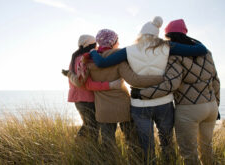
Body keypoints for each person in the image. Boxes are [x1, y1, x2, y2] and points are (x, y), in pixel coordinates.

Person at [87, 16, 208, 164]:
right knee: (167, 142)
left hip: (140, 104)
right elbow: (201, 49)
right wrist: (189, 38)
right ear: (156, 35)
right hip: (164, 102)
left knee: (147, 145)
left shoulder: (129, 50)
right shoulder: (167, 47)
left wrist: (93, 52)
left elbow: (102, 62)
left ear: (141, 34)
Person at [130, 19, 220, 165]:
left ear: (168, 36)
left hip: (189, 109)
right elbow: (215, 80)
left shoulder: (174, 56)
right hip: (211, 107)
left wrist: (142, 94)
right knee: (207, 149)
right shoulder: (206, 52)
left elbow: (172, 83)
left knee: (189, 153)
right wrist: (217, 104)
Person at [67, 29, 164, 163]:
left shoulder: (87, 61)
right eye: (117, 41)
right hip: (123, 107)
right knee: (132, 141)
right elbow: (135, 80)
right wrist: (160, 79)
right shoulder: (119, 59)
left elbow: (83, 83)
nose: (118, 43)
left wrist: (69, 74)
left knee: (108, 145)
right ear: (112, 42)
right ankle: (136, 162)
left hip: (103, 110)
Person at [66, 34, 124, 144]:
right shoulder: (85, 59)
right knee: (92, 127)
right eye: (95, 44)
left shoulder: (74, 58)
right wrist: (109, 85)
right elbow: (86, 84)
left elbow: (76, 81)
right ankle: (87, 149)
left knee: (88, 125)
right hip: (87, 98)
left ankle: (79, 146)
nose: (97, 46)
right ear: (92, 45)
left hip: (78, 99)